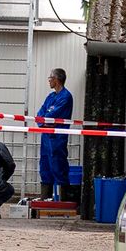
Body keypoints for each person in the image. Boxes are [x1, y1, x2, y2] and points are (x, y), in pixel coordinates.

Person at [36, 68, 73, 200]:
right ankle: (45, 198)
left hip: (57, 138)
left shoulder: (66, 97)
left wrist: (47, 120)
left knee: (58, 165)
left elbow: (51, 115)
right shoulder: (50, 97)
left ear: (57, 80)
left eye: (50, 78)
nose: (49, 81)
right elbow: (40, 116)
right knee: (45, 166)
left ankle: (63, 200)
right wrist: (44, 122)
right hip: (46, 137)